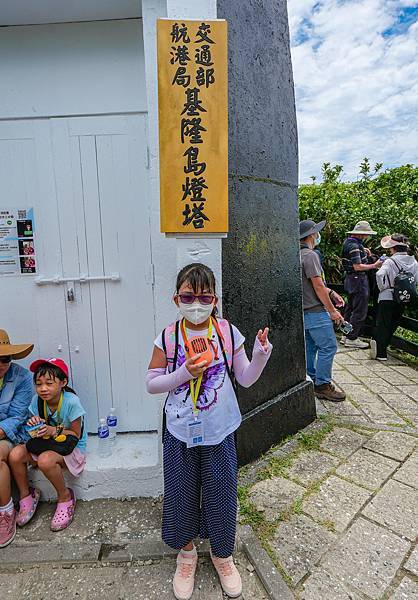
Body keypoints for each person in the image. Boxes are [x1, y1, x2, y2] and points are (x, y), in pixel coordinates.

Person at [146, 263, 272, 600]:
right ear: (176, 298)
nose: (196, 303)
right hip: (179, 430)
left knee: (221, 491)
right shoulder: (169, 337)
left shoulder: (228, 332)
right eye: (188, 296)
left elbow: (244, 378)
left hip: (220, 428)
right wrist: (184, 372)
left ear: (214, 298)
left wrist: (260, 353)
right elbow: (152, 383)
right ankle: (186, 553)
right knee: (180, 491)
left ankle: (222, 554)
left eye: (204, 297)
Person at [9, 358, 87, 534]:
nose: (43, 388)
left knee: (44, 460)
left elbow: (76, 434)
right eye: (39, 384)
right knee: (15, 454)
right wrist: (35, 423)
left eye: (49, 383)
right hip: (48, 443)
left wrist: (53, 430)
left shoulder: (71, 402)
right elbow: (35, 430)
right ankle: (26, 495)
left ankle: (65, 496)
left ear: (63, 382)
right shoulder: (37, 402)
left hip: (70, 447)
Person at [299, 220, 346, 402]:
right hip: (316, 311)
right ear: (311, 235)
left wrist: (331, 292)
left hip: (304, 310)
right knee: (329, 347)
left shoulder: (297, 255)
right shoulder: (310, 256)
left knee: (310, 347)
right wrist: (333, 311)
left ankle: (311, 379)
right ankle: (323, 385)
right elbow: (318, 285)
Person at [0, 329, 34, 548]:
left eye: (6, 358)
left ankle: (6, 512)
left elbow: (17, 417)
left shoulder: (21, 378)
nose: (2, 364)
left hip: (12, 432)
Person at [371, 234, 418, 360]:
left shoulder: (390, 261)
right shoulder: (414, 262)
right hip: (403, 298)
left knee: (383, 324)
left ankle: (381, 353)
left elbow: (380, 274)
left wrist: (383, 287)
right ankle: (383, 346)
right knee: (394, 323)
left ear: (393, 248)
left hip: (387, 296)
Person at [341, 221, 382, 348]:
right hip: (358, 279)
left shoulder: (349, 242)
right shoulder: (355, 245)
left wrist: (363, 252)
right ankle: (352, 338)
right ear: (362, 234)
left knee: (350, 308)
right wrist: (374, 265)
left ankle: (345, 334)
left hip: (350, 279)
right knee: (359, 309)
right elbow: (357, 266)